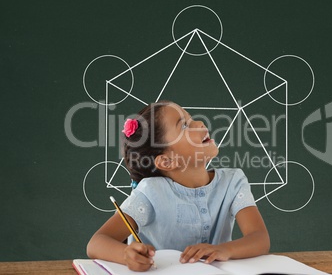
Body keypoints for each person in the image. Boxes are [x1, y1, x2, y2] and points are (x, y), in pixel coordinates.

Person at [87, 100, 270, 271]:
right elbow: (96, 243)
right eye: (184, 125)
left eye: (190, 118)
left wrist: (224, 250)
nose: (199, 123)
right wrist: (126, 255)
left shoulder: (233, 182)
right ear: (167, 162)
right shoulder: (151, 192)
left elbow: (260, 238)